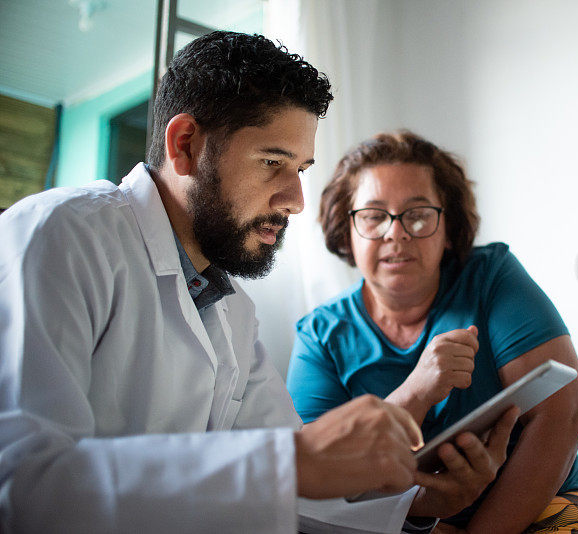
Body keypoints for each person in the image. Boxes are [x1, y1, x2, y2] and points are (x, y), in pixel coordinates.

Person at [0, 33, 517, 533]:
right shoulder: (57, 237)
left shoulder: (230, 308)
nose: (295, 199)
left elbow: (293, 485)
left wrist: (420, 504)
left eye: (301, 169)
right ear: (186, 145)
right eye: (272, 162)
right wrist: (289, 461)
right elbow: (21, 487)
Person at [287, 131, 578, 534]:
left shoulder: (491, 276)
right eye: (373, 216)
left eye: (418, 214)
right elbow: (314, 475)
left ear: (449, 227)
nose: (396, 233)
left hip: (534, 504)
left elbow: (564, 414)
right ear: (345, 230)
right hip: (403, 521)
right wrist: (416, 392)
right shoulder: (320, 335)